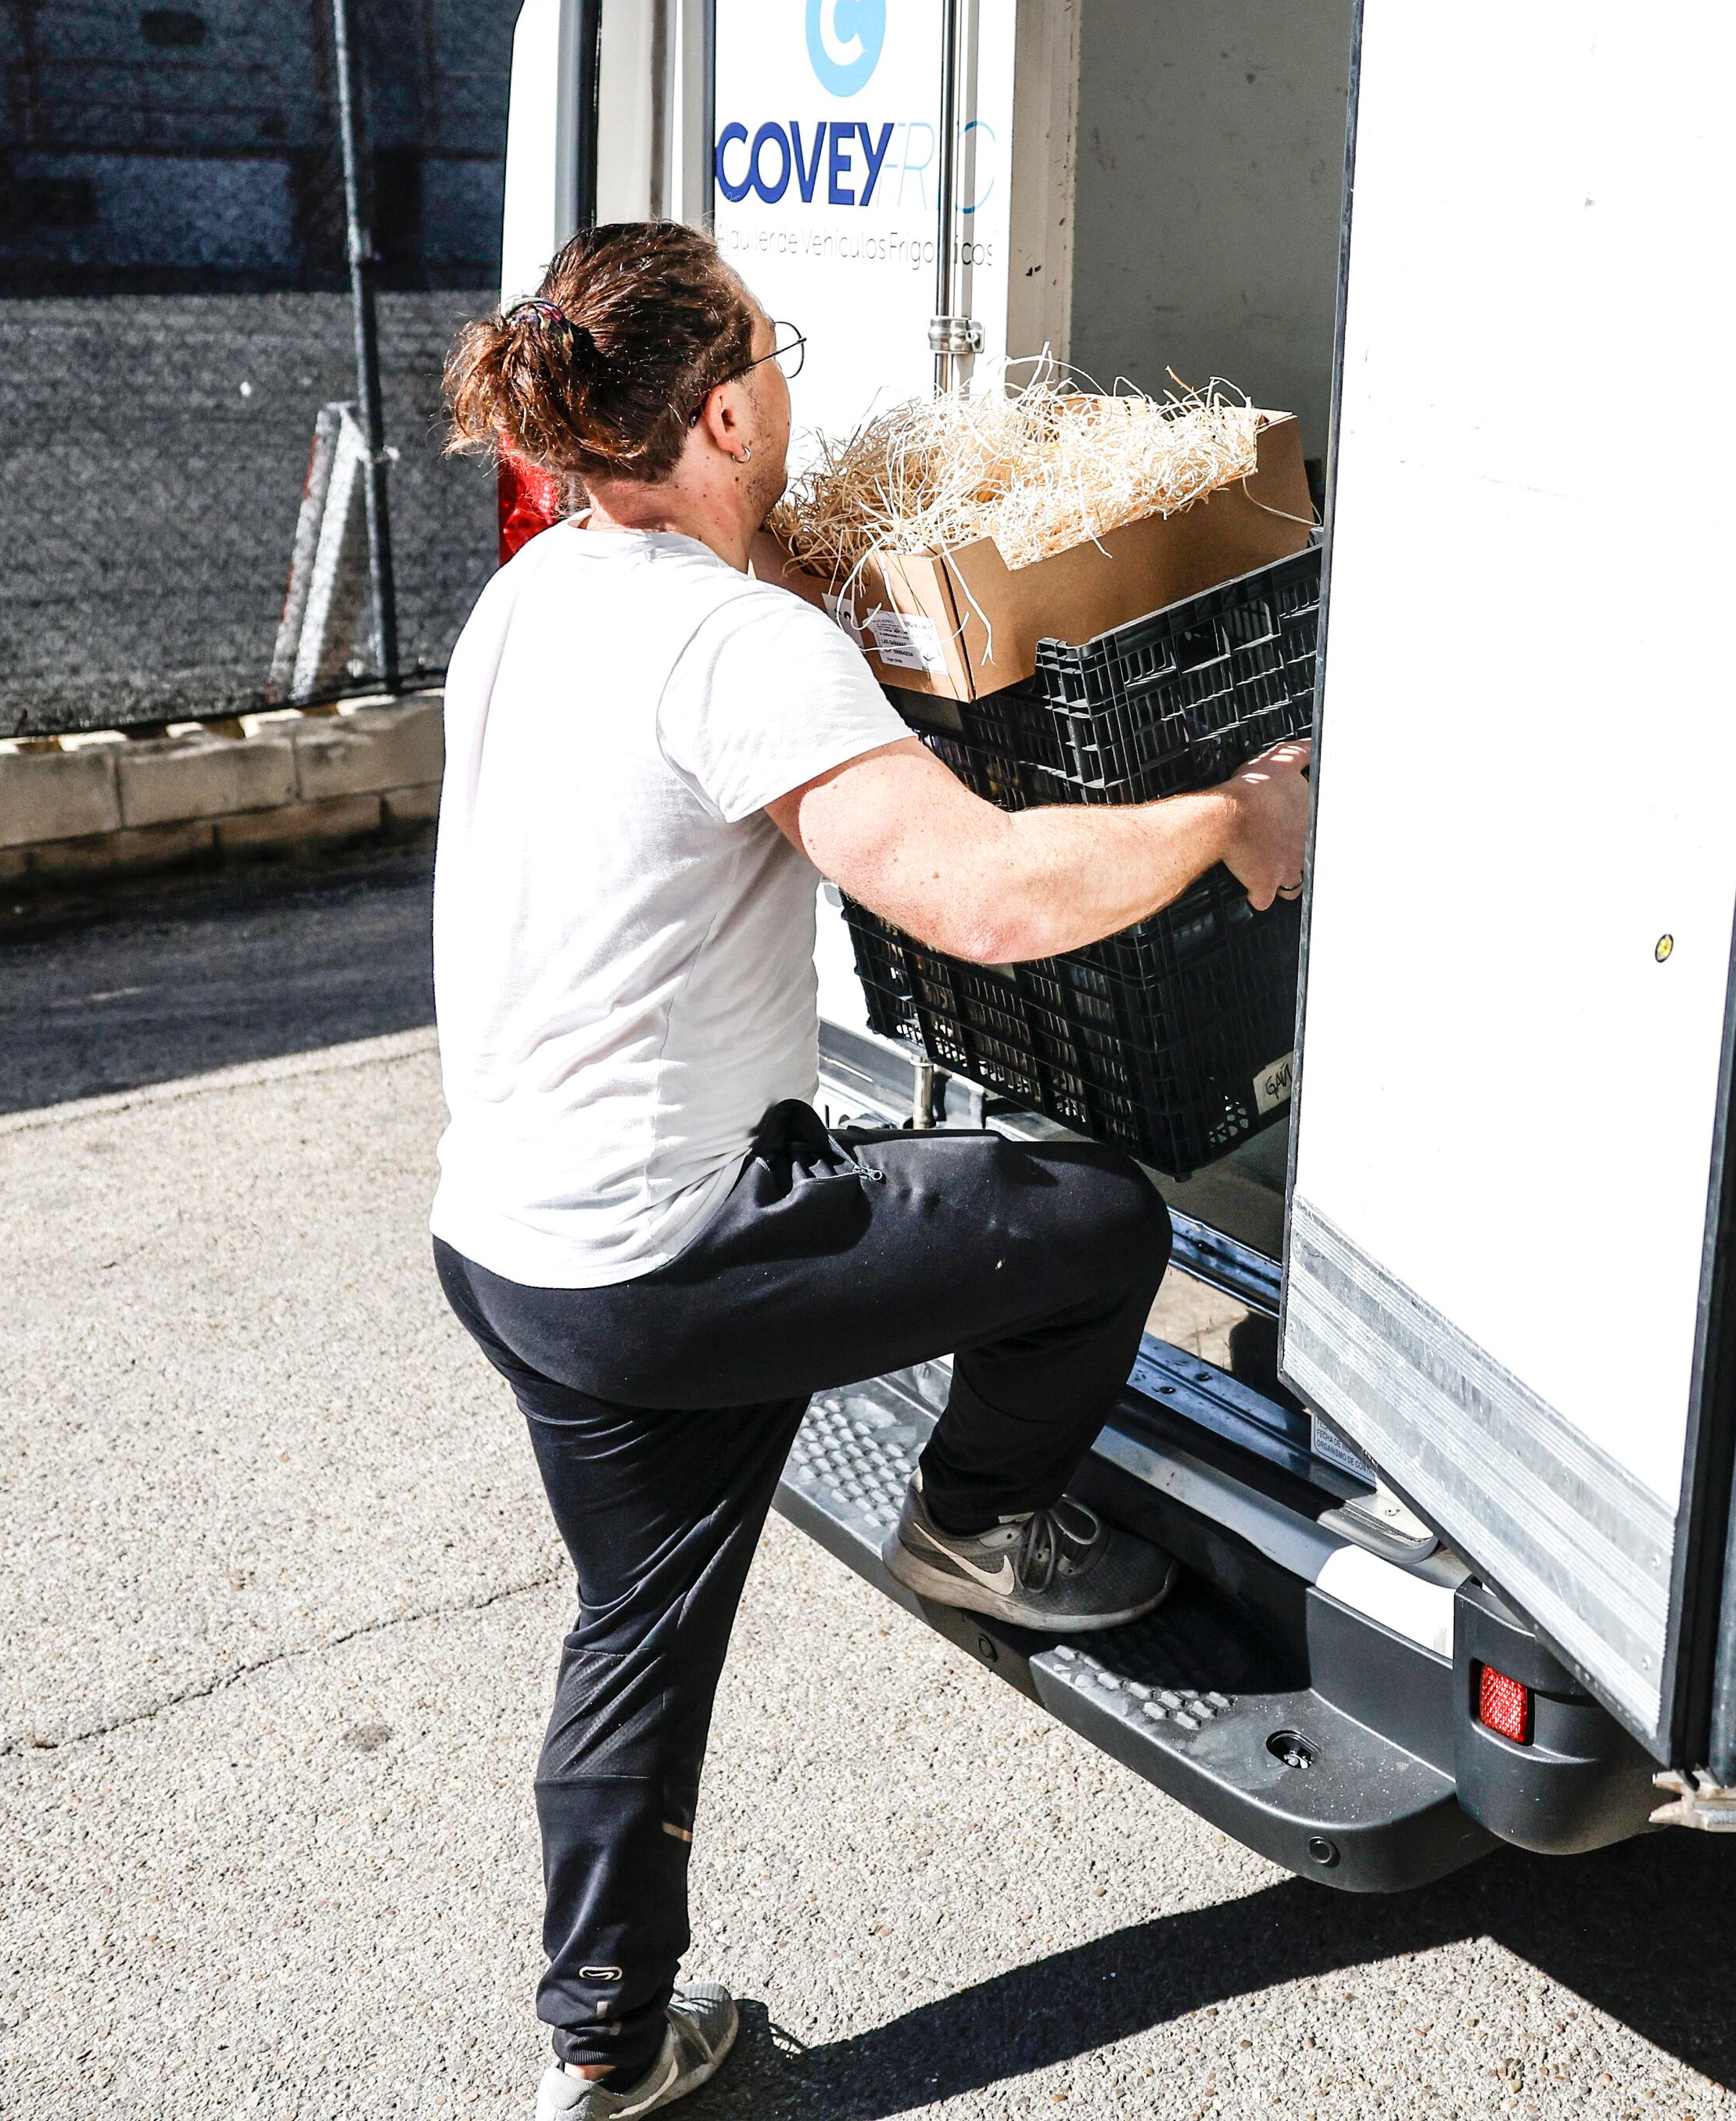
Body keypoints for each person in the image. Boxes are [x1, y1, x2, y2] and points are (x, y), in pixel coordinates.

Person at [429, 222, 1314, 2119]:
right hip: (671, 1251)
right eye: (778, 348)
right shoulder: (734, 643)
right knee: (1093, 1219)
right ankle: (981, 1521)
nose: (793, 380)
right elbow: (983, 896)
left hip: (511, 1238)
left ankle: (605, 2050)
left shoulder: (543, 592)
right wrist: (1233, 816)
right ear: (734, 403)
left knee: (639, 1622)